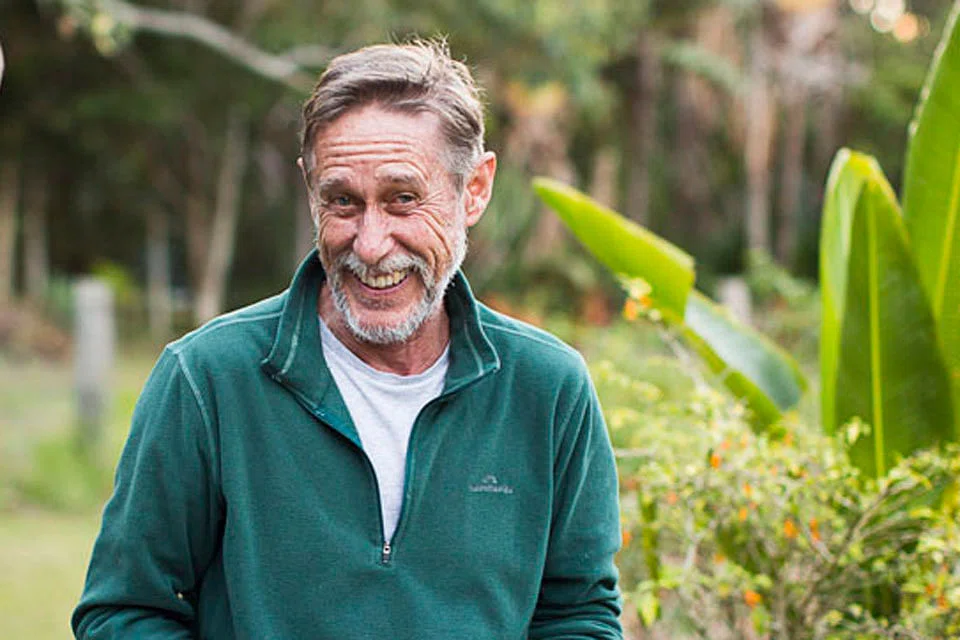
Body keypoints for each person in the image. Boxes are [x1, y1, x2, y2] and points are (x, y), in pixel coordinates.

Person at [73, 39, 622, 639]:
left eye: (403, 199)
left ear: (474, 189)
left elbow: (579, 615)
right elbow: (123, 611)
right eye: (342, 202)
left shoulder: (548, 389)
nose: (370, 243)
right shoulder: (208, 379)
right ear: (310, 188)